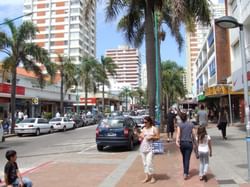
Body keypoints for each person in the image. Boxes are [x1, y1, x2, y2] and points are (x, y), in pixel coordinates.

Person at [134, 116, 159, 183]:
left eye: (145, 122)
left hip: (150, 148)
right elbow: (141, 136)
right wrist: (137, 134)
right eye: (143, 122)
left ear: (149, 122)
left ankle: (152, 177)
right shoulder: (144, 129)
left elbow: (158, 137)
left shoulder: (154, 128)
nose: (144, 123)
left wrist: (151, 137)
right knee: (145, 163)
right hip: (143, 148)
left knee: (149, 163)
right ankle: (147, 177)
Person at [176, 112, 196, 180]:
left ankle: (185, 171)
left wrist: (177, 141)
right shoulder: (191, 124)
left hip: (182, 143)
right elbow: (194, 134)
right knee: (187, 158)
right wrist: (195, 142)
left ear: (181, 118)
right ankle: (186, 173)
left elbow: (178, 133)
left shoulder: (180, 125)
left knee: (184, 157)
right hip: (189, 143)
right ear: (187, 117)